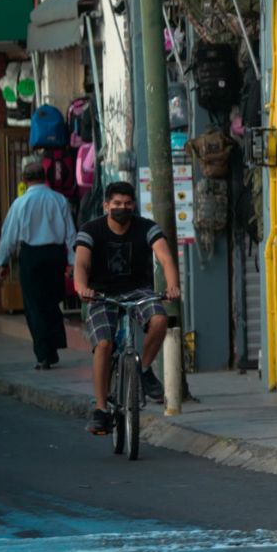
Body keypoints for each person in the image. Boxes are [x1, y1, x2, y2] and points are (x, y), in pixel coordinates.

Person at [73, 182, 181, 436]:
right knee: (104, 345)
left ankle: (143, 369)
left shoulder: (146, 227)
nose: (122, 208)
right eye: (117, 204)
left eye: (127, 204)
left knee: (159, 319)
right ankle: (100, 410)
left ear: (134, 205)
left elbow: (165, 258)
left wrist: (173, 285)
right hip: (101, 293)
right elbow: (81, 264)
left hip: (138, 290)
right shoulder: (91, 230)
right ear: (106, 206)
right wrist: (81, 288)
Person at [0, 160, 76, 368]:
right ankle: (54, 345)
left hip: (31, 256)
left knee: (34, 305)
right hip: (55, 255)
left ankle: (43, 353)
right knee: (51, 301)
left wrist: (2, 262)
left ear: (24, 180)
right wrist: (72, 262)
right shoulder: (60, 200)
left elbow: (9, 236)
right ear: (45, 177)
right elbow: (70, 233)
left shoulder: (20, 203)